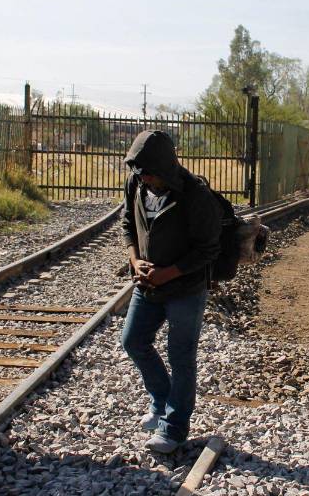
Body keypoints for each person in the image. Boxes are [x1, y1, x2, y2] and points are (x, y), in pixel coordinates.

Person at [120, 130, 221, 453]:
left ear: (164, 167)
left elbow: (208, 249)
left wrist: (169, 273)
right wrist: (136, 262)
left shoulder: (195, 196)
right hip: (147, 283)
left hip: (185, 288)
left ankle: (174, 428)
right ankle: (162, 401)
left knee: (181, 356)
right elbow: (126, 225)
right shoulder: (136, 184)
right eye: (139, 170)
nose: (143, 177)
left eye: (148, 171)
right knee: (133, 340)